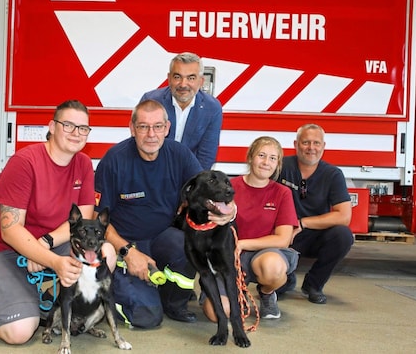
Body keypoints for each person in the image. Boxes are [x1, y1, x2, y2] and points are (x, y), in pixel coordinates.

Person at [0, 100, 115, 344]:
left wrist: (45, 244)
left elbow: (84, 220)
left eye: (83, 128)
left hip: (47, 242)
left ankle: (51, 297)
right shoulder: (24, 162)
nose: (76, 133)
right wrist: (54, 262)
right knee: (20, 332)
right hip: (1, 248)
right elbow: (10, 229)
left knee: (106, 251)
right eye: (68, 125)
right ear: (52, 126)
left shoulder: (84, 164)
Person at [94, 99, 235, 329]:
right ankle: (109, 294)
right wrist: (128, 252)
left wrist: (229, 210)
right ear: (132, 129)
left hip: (162, 238)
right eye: (143, 127)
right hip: (125, 245)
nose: (151, 134)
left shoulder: (179, 154)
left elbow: (207, 189)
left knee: (189, 243)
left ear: (167, 128)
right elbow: (98, 220)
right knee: (146, 317)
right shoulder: (114, 161)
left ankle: (174, 303)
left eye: (158, 126)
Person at [201, 136, 299, 321]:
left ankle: (267, 293)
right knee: (217, 314)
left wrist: (243, 244)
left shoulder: (282, 193)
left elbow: (283, 239)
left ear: (278, 163)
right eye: (261, 155)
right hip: (227, 258)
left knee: (273, 268)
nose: (266, 162)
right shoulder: (228, 187)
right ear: (250, 157)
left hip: (263, 254)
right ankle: (236, 292)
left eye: (272, 158)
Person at [277, 124, 354, 304]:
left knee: (343, 235)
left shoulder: (333, 174)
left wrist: (302, 223)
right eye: (306, 142)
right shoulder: (280, 166)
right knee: (275, 287)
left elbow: (344, 216)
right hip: (283, 233)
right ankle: (284, 280)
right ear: (296, 144)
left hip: (314, 234)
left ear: (323, 146)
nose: (311, 148)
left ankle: (313, 284)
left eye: (316, 143)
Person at [140, 52, 222, 170]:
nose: (183, 84)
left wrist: (192, 185)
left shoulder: (212, 108)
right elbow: (141, 144)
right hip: (152, 171)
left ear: (201, 81)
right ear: (169, 78)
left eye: (191, 78)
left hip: (190, 175)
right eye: (177, 77)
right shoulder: (150, 101)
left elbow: (206, 156)